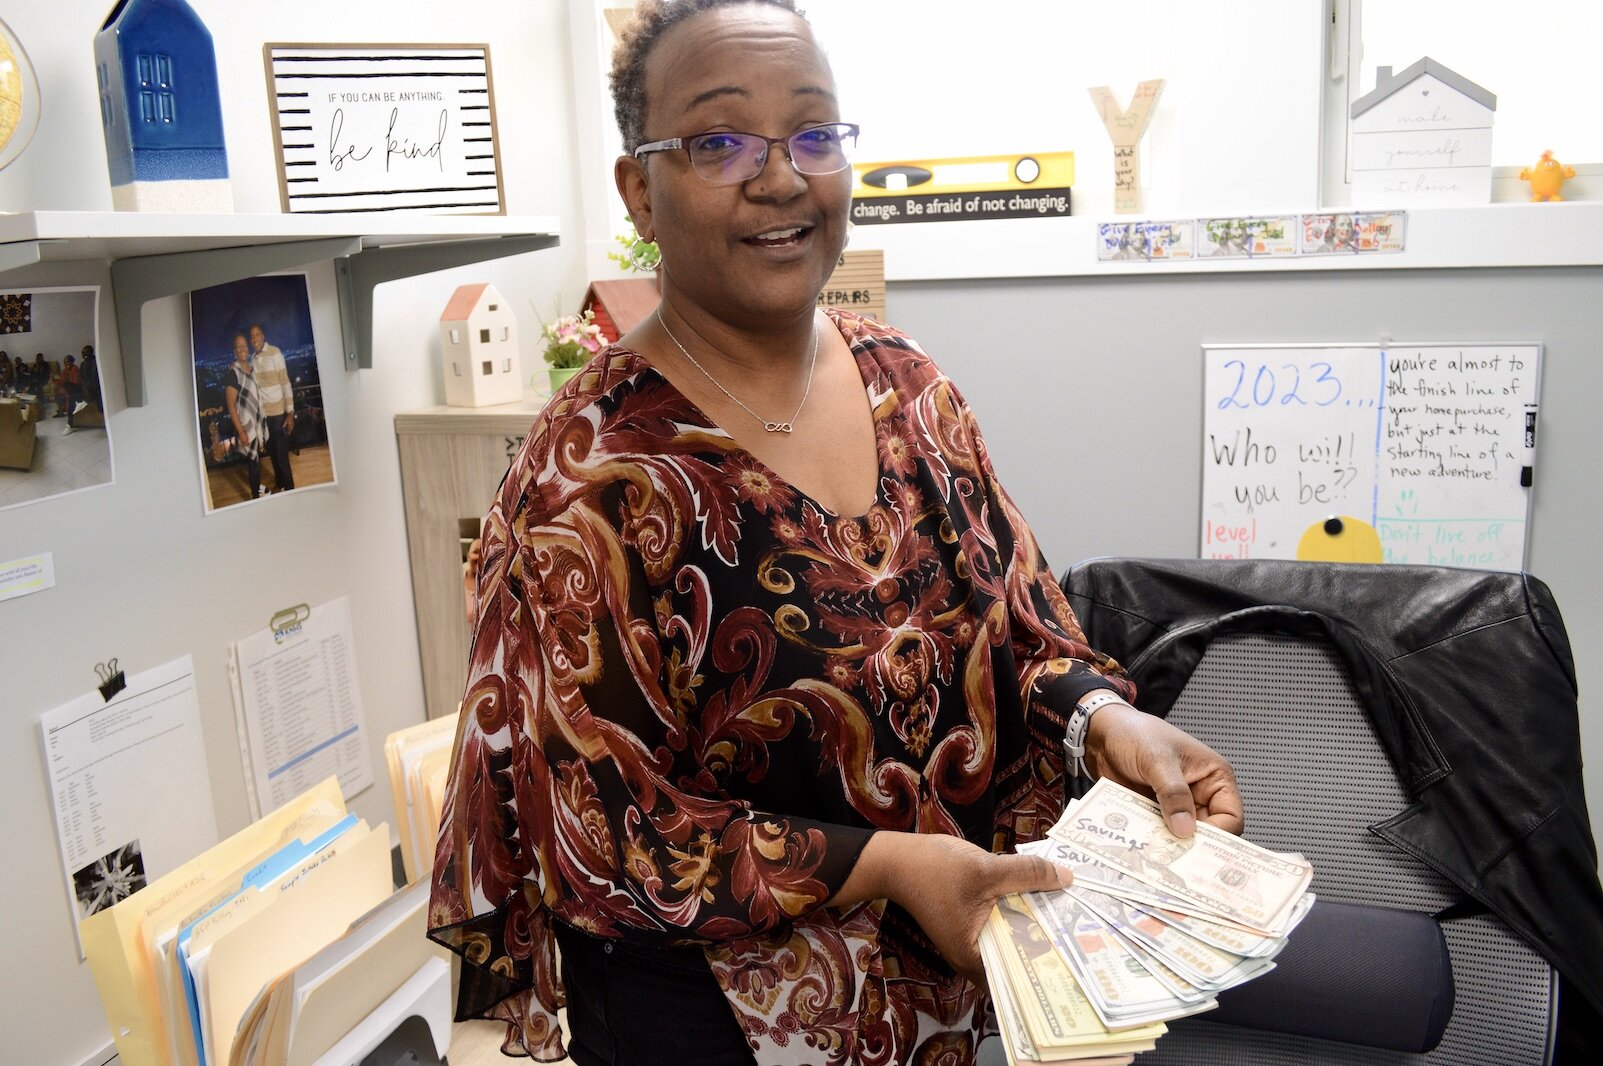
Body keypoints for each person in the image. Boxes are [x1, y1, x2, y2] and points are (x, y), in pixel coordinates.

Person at [427, 4, 1243, 1064]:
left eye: (813, 134)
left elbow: (1022, 631)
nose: (780, 178)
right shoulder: (586, 478)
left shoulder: (908, 383)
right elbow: (606, 834)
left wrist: (1103, 724)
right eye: (719, 142)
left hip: (936, 1000)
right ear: (638, 189)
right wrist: (890, 865)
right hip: (709, 1022)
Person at [218, 332, 267, 499]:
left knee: (256, 460)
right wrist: (241, 431)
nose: (243, 349)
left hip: (256, 422)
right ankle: (255, 496)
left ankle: (257, 487)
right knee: (253, 462)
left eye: (245, 346)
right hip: (246, 426)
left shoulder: (252, 369)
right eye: (239, 347)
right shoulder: (233, 374)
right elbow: (231, 406)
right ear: (234, 351)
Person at [249, 323, 295, 492]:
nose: (254, 338)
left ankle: (290, 488)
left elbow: (285, 381)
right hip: (264, 415)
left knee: (282, 455)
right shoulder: (253, 359)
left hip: (278, 413)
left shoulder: (275, 353)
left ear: (263, 336)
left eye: (257, 335)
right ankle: (280, 484)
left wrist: (290, 412)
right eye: (252, 336)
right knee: (273, 454)